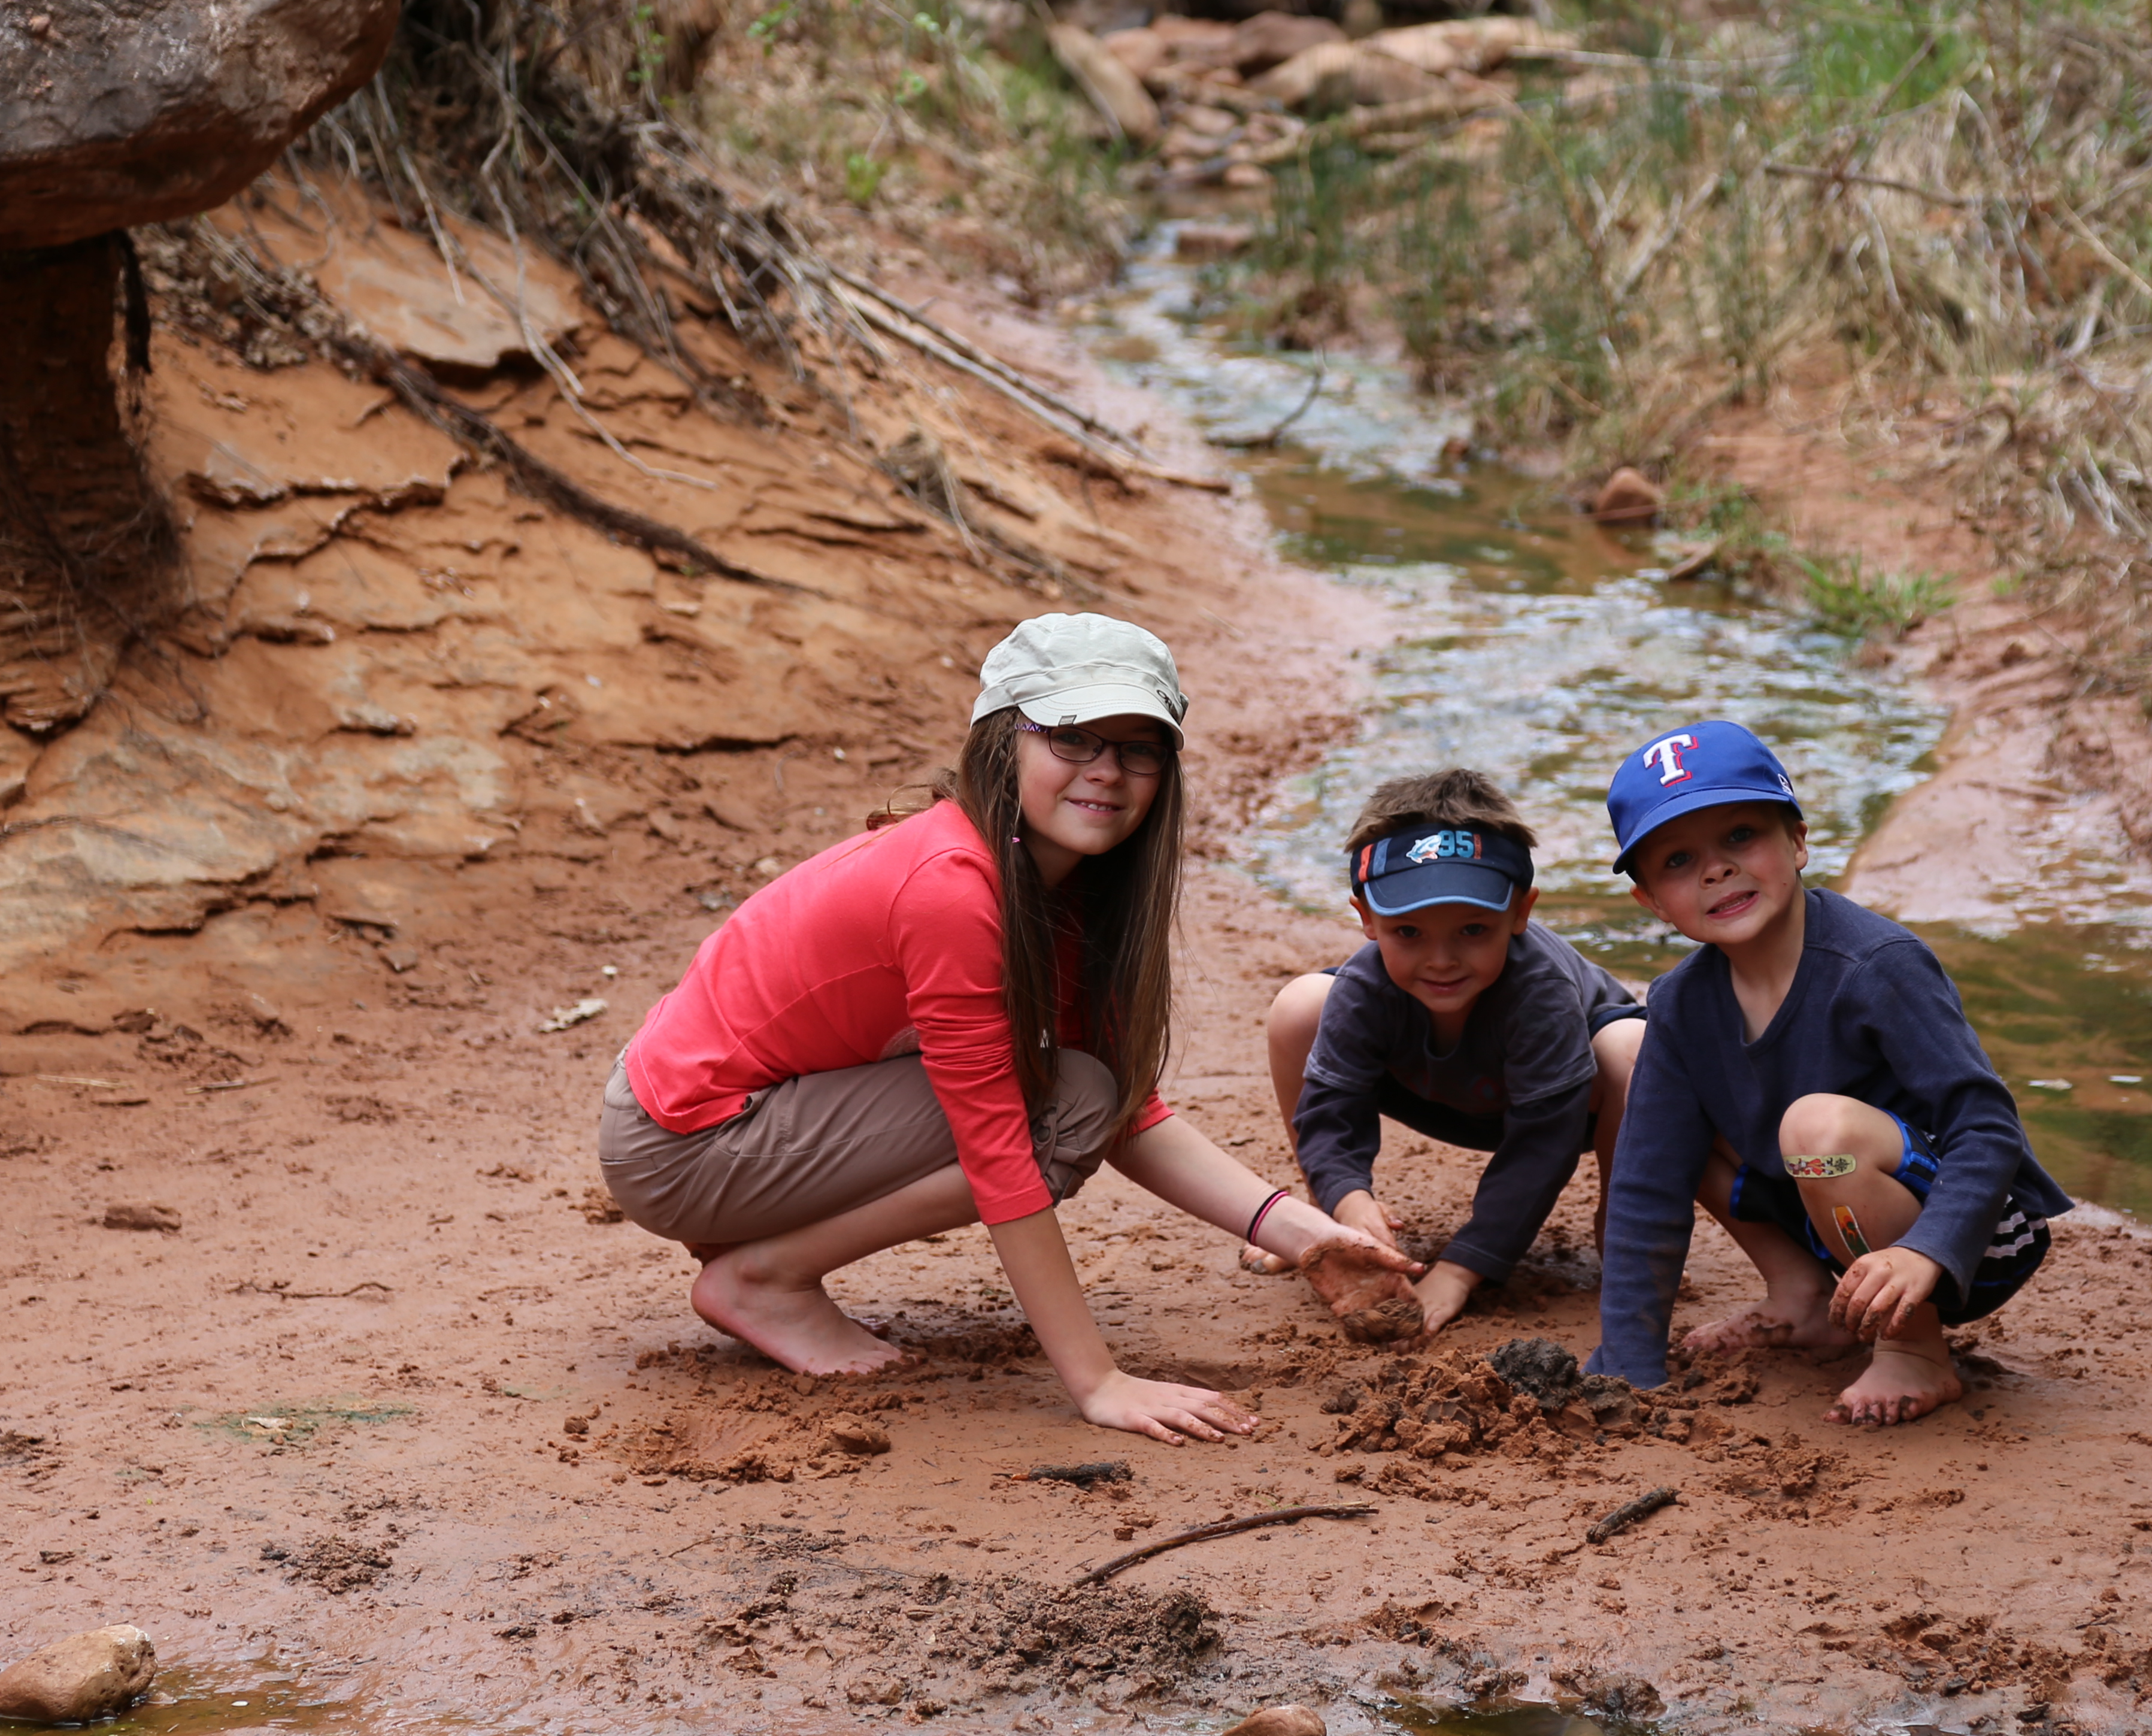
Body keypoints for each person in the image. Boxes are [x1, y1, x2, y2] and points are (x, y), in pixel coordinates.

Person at [596, 614, 1424, 1443]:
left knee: (1085, 1093)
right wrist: (1098, 1383)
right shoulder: (954, 888)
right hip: (683, 1142)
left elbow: (1127, 1112)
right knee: (1056, 1109)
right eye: (1073, 738)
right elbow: (999, 1143)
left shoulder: (1062, 885)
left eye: (1139, 747)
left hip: (763, 1120)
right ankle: (764, 1278)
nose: (1107, 772)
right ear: (1004, 744)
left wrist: (1308, 1235)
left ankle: (764, 1255)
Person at [1587, 719, 2070, 1423]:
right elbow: (1646, 1184)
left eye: (1741, 836)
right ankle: (1803, 1300)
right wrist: (1630, 1364)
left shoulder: (1876, 966)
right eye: (1679, 862)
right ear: (1652, 902)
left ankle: (1915, 1352)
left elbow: (1988, 1130)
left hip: (1970, 1232)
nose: (1717, 870)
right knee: (1649, 1091)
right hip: (1831, 1218)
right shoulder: (1684, 1003)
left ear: (1800, 839)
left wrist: (1928, 1253)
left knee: (1818, 1127)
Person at [1247, 769, 1645, 1337]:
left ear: (1520, 912)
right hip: (1436, 1086)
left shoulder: (1540, 991)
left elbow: (1543, 1143)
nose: (1441, 959)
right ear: (1365, 917)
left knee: (1631, 1047)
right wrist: (1348, 1196)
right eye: (1408, 932)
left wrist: (1461, 1268)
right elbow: (1330, 1109)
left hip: (1572, 1102)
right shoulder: (1367, 987)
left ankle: (1626, 1222)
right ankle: (1326, 1222)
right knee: (1300, 1006)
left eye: (1473, 930)